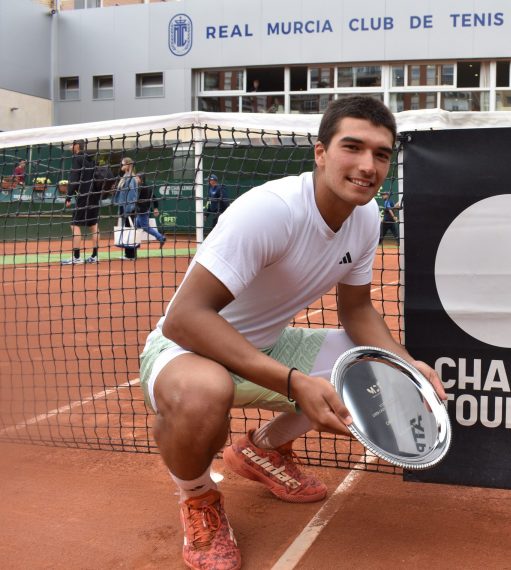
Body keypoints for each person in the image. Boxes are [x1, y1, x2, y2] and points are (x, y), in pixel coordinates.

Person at [138, 96, 447, 570]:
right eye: (353, 147)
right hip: (185, 350)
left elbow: (358, 309)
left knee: (373, 365)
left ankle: (262, 449)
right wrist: (291, 381)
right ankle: (199, 498)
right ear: (321, 152)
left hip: (267, 346)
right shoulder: (271, 211)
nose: (368, 165)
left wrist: (408, 369)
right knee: (206, 393)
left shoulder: (364, 219)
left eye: (381, 154)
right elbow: (185, 318)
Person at [62, 140, 100, 265]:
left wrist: (68, 197)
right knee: (93, 225)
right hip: (94, 195)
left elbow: (74, 179)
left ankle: (77, 257)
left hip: (84, 195)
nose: (70, 147)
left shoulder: (77, 159)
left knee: (74, 224)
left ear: (77, 146)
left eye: (72, 145)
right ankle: (95, 256)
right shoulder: (91, 159)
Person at [114, 157, 140, 261]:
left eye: (123, 164)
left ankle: (131, 255)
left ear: (128, 165)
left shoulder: (131, 178)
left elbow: (132, 194)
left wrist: (129, 209)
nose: (122, 166)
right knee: (126, 230)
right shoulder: (125, 176)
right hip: (123, 207)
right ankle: (128, 254)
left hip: (129, 209)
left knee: (130, 230)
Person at [135, 172, 166, 247]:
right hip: (142, 210)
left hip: (142, 211)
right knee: (136, 226)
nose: (135, 179)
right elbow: (154, 199)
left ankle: (161, 237)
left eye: (137, 177)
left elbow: (136, 199)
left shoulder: (139, 188)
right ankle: (136, 243)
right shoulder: (147, 187)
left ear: (141, 179)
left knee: (145, 228)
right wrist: (155, 208)